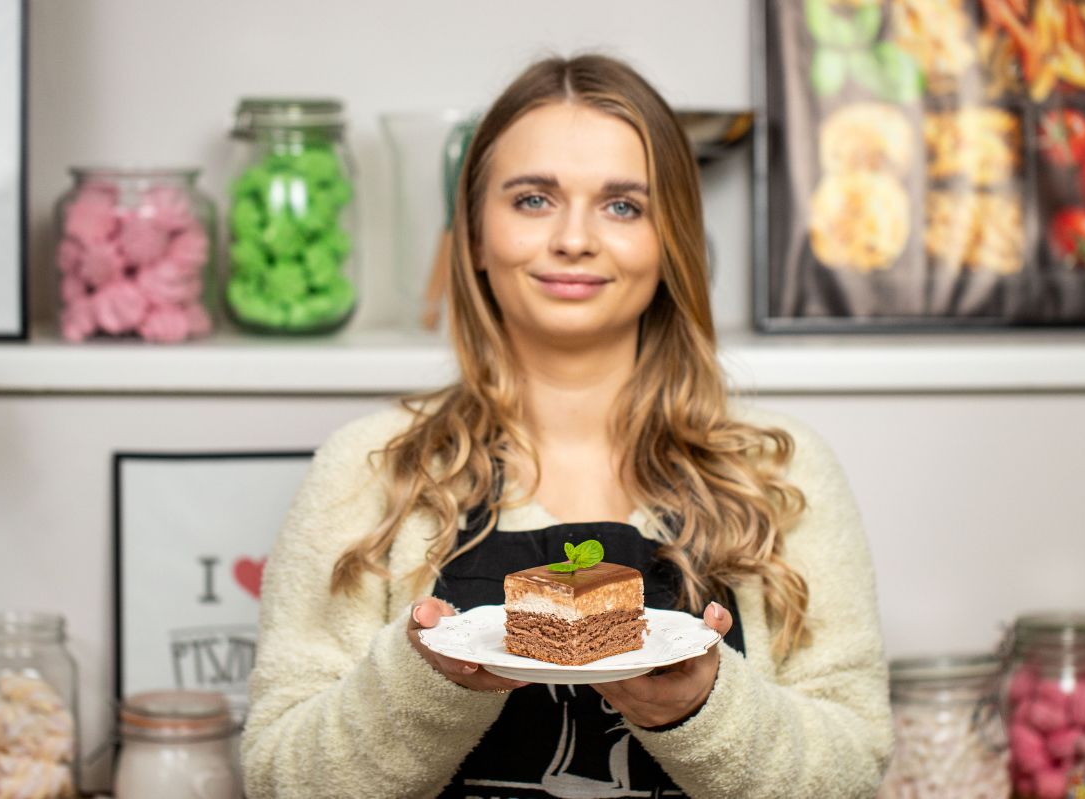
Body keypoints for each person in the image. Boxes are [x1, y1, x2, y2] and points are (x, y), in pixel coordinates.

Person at [241, 53, 892, 799]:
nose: (574, 239)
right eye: (532, 199)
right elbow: (279, 779)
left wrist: (700, 709)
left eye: (623, 206)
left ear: (670, 241)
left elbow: (853, 768)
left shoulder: (781, 472)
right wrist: (426, 682)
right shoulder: (368, 468)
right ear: (474, 236)